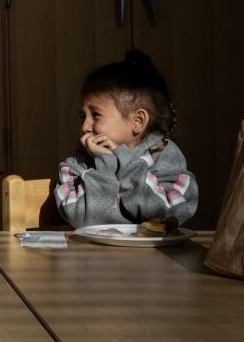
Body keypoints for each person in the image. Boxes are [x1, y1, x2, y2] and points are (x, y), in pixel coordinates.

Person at [54, 50, 198, 228]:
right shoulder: (77, 164)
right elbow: (85, 220)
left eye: (96, 115)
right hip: (94, 255)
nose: (85, 126)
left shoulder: (165, 156)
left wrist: (125, 162)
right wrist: (104, 165)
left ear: (137, 121)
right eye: (82, 116)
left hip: (154, 255)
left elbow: (166, 214)